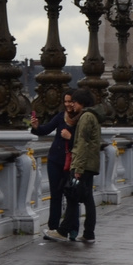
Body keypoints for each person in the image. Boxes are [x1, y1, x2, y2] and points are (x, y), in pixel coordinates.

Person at [59, 90, 102, 243]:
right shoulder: (92, 116)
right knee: (87, 199)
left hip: (83, 165)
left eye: (74, 102)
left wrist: (78, 168)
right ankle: (89, 233)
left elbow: (82, 144)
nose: (72, 105)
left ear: (82, 103)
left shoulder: (86, 117)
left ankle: (63, 231)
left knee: (72, 196)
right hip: (90, 164)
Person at [32, 98, 75, 240]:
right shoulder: (60, 116)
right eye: (66, 101)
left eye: (71, 101)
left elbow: (85, 140)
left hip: (73, 162)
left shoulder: (82, 118)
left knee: (72, 196)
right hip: (55, 160)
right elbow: (45, 130)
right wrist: (37, 126)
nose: (68, 104)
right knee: (55, 194)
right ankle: (53, 227)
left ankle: (72, 229)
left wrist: (70, 137)